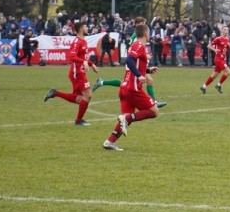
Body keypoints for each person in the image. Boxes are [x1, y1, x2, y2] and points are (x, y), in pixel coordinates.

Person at [102, 23, 161, 151]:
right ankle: (126, 118)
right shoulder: (139, 45)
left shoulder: (136, 45)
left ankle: (109, 141)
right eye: (149, 32)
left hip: (124, 87)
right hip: (132, 88)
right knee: (154, 111)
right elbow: (128, 60)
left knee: (126, 120)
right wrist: (140, 75)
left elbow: (135, 64)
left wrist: (148, 70)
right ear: (145, 33)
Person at [43, 21, 99, 126]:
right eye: (86, 26)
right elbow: (72, 57)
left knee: (78, 99)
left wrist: (92, 65)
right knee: (88, 95)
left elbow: (84, 58)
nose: (88, 28)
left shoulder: (84, 41)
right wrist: (84, 62)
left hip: (80, 72)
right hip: (77, 73)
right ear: (81, 29)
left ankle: (56, 93)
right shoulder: (76, 42)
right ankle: (78, 121)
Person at [200, 25, 230, 94]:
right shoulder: (218, 39)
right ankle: (218, 85)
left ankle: (204, 86)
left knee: (214, 75)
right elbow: (208, 46)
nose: (227, 31)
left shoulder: (228, 39)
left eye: (227, 30)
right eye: (225, 30)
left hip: (222, 59)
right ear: (222, 31)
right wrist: (214, 50)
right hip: (218, 59)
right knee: (228, 72)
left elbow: (228, 51)